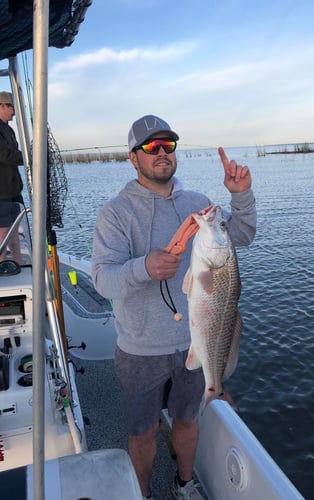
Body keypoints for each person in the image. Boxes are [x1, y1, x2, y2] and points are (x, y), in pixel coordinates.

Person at [91, 115, 257, 500]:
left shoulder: (200, 205)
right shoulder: (115, 213)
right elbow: (102, 279)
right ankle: (143, 494)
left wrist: (241, 195)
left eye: (169, 145)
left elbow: (243, 235)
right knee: (142, 433)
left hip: (195, 342)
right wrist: (145, 267)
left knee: (186, 421)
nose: (162, 152)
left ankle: (185, 484)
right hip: (140, 351)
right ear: (133, 158)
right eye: (151, 147)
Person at [0, 91, 24, 264]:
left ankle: (18, 261)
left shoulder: (8, 129)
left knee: (14, 228)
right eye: (12, 107)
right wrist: (31, 158)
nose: (15, 111)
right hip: (2, 192)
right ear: (2, 106)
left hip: (14, 189)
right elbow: (6, 154)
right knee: (3, 230)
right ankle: (1, 265)